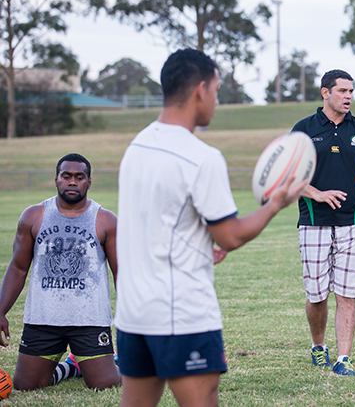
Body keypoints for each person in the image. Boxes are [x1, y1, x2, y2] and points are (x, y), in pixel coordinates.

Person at [115, 48, 306, 407]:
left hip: (132, 313)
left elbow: (158, 223)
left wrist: (200, 244)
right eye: (217, 90)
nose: (216, 101)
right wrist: (276, 204)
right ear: (200, 89)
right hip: (181, 314)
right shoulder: (200, 157)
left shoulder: (136, 147)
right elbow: (231, 235)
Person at [291, 69, 355, 376]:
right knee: (317, 295)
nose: (348, 97)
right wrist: (315, 193)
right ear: (325, 92)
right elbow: (289, 176)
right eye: (343, 91)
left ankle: (343, 360)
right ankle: (319, 346)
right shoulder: (304, 129)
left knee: (348, 294)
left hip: (354, 223)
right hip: (313, 223)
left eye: (351, 91)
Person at [0, 153, 120, 391]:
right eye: (66, 176)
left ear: (89, 182)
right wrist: (0, 310)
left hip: (89, 320)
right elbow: (18, 267)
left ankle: (119, 363)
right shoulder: (33, 216)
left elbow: (121, 272)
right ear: (56, 179)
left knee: (104, 384)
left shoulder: (105, 220)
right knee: (26, 385)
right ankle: (71, 366)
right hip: (43, 318)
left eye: (79, 177)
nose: (72, 182)